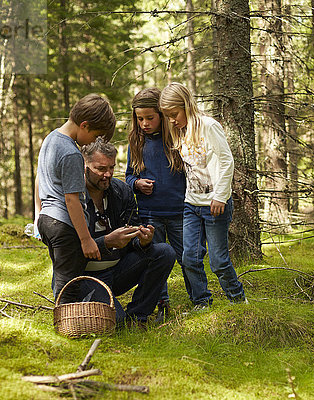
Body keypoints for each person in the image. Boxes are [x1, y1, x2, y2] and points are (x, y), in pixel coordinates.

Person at [159, 82, 246, 309]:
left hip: (214, 204)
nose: (171, 120)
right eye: (167, 116)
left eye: (174, 114)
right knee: (190, 258)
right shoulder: (180, 132)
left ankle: (238, 300)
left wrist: (220, 196)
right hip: (192, 205)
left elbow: (227, 160)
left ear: (187, 105)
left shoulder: (208, 126)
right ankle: (202, 302)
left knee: (218, 261)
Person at [81, 138, 175, 326]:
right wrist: (106, 242)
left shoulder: (121, 190)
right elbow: (68, 251)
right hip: (85, 275)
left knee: (164, 252)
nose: (107, 174)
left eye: (111, 168)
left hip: (117, 270)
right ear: (85, 166)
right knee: (117, 322)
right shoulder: (74, 197)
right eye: (100, 169)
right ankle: (121, 317)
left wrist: (142, 241)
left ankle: (138, 316)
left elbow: (133, 231)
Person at [35, 93, 115, 304]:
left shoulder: (51, 138)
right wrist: (86, 239)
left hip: (47, 219)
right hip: (64, 225)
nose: (93, 143)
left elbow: (38, 179)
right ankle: (66, 325)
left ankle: (65, 317)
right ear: (85, 125)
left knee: (61, 275)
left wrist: (38, 216)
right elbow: (72, 200)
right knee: (69, 284)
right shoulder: (71, 153)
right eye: (96, 136)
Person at [125, 88, 188, 322]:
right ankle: (161, 304)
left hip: (181, 211)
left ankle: (200, 300)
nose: (144, 123)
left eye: (150, 118)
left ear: (162, 114)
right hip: (150, 213)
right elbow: (128, 176)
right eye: (139, 118)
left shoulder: (177, 139)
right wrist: (137, 183)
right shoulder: (137, 142)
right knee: (157, 259)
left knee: (187, 257)